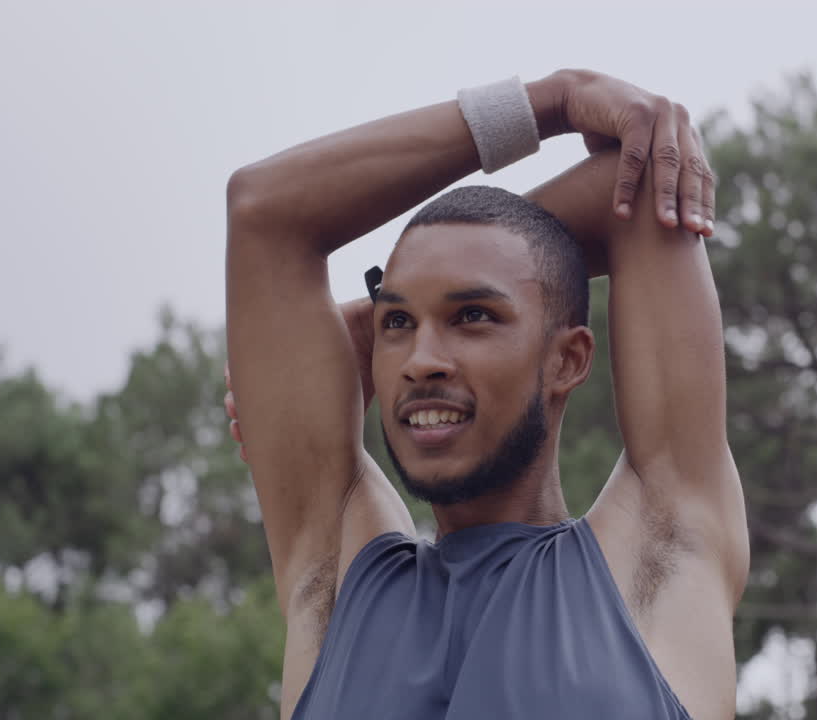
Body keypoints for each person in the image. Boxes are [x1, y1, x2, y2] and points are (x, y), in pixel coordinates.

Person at [223, 69, 748, 719]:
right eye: (399, 326)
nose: (421, 361)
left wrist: (439, 274)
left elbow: (636, 188)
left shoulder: (661, 552)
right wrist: (543, 104)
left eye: (472, 318)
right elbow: (261, 210)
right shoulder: (333, 582)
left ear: (567, 360)